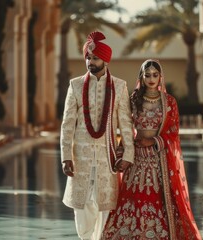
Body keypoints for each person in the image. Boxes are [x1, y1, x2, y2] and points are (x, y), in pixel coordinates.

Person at [101, 59, 202, 239]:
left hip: (158, 159)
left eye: (155, 75)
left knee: (158, 198)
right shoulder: (134, 99)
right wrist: (120, 153)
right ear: (142, 76)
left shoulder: (169, 102)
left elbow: (173, 132)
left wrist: (153, 141)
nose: (151, 78)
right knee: (131, 198)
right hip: (137, 159)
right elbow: (125, 128)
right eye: (147, 75)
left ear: (160, 77)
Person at [60, 31, 135, 240]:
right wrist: (66, 156)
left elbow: (126, 124)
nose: (90, 62)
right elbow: (67, 124)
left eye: (94, 58)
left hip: (106, 157)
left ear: (105, 59)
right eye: (87, 57)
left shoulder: (119, 87)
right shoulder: (75, 85)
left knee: (103, 206)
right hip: (81, 158)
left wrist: (128, 155)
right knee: (82, 206)